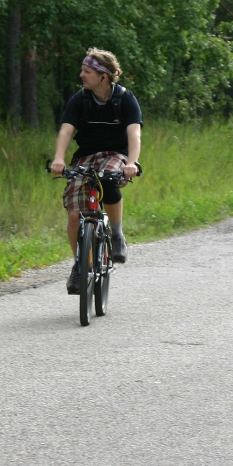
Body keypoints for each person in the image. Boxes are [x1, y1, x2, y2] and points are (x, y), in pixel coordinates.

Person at [50, 48, 143, 294]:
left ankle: (117, 234)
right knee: (73, 215)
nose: (81, 75)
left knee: (109, 180)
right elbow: (66, 131)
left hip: (115, 155)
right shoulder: (79, 100)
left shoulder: (124, 99)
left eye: (87, 71)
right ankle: (80, 265)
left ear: (103, 76)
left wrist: (132, 163)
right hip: (85, 157)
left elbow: (134, 133)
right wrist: (59, 158)